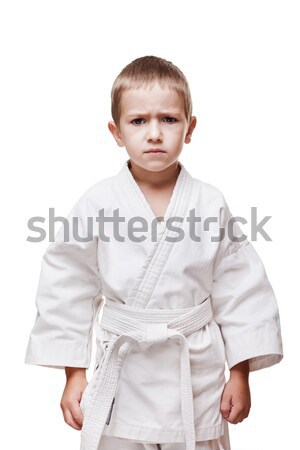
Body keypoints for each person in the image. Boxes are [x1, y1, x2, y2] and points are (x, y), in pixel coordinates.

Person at [24, 55, 283, 450]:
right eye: (139, 121)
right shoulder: (98, 202)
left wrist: (240, 372)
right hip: (124, 376)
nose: (155, 134)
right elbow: (66, 285)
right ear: (116, 131)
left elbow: (242, 291)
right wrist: (74, 373)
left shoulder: (209, 203)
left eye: (169, 119)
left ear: (190, 128)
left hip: (194, 374)